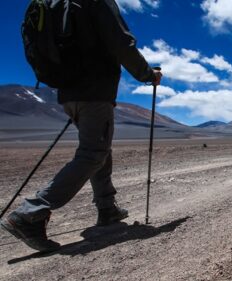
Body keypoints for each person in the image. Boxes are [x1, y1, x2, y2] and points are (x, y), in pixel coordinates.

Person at [0, 0, 162, 252]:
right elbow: (121, 42)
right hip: (94, 91)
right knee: (93, 153)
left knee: (99, 149)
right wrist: (148, 75)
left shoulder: (55, 3)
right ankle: (29, 213)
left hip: (69, 92)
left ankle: (107, 208)